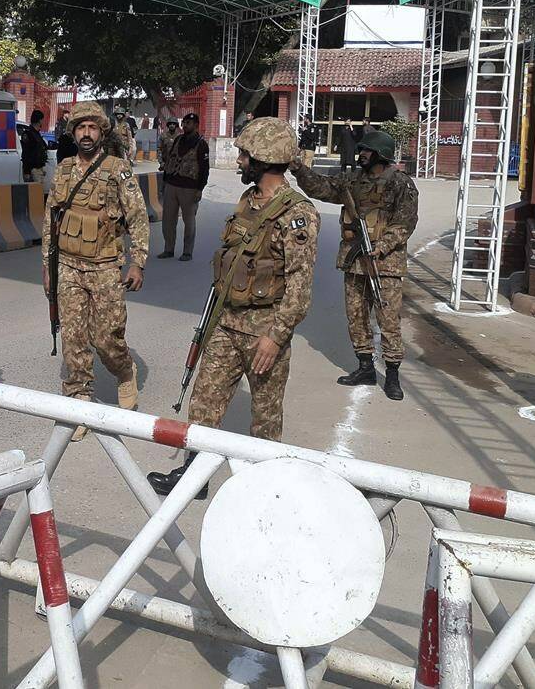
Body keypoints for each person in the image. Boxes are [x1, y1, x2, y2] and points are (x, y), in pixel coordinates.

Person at [147, 118, 319, 497]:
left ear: (263, 158)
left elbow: (299, 289)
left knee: (265, 416)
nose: (239, 160)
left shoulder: (297, 215)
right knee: (205, 400)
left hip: (265, 329)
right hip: (227, 322)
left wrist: (275, 337)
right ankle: (195, 477)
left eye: (244, 154)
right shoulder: (249, 200)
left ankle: (266, 488)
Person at [42, 101, 148, 439]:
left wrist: (138, 261)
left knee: (106, 338)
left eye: (92, 127)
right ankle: (80, 401)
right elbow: (51, 222)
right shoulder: (63, 170)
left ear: (102, 132)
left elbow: (138, 217)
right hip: (69, 266)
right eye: (80, 127)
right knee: (73, 337)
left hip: (105, 267)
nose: (86, 133)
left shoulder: (118, 169)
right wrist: (48, 265)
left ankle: (124, 371)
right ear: (73, 132)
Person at [292, 128, 418, 400]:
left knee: (388, 320)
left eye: (366, 151)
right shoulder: (352, 181)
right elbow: (322, 187)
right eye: (361, 150)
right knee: (356, 317)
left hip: (386, 265)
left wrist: (381, 246)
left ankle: (393, 376)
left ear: (381, 155)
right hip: (354, 261)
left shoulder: (400, 184)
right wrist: (299, 170)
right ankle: (365, 368)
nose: (360, 155)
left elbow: (406, 222)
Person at [158, 112, 210, 261]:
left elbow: (205, 169)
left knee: (189, 221)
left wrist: (200, 189)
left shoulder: (201, 144)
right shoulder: (178, 140)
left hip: (190, 187)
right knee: (168, 219)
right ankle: (169, 249)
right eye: (185, 122)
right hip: (172, 184)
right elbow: (170, 159)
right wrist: (165, 181)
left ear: (196, 125)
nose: (185, 125)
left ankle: (187, 251)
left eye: (189, 123)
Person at [21, 109, 49, 183]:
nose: (43, 122)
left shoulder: (37, 134)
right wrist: (27, 171)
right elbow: (25, 153)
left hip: (39, 168)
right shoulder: (29, 134)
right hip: (32, 170)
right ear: (39, 120)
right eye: (42, 120)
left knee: (39, 193)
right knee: (34, 193)